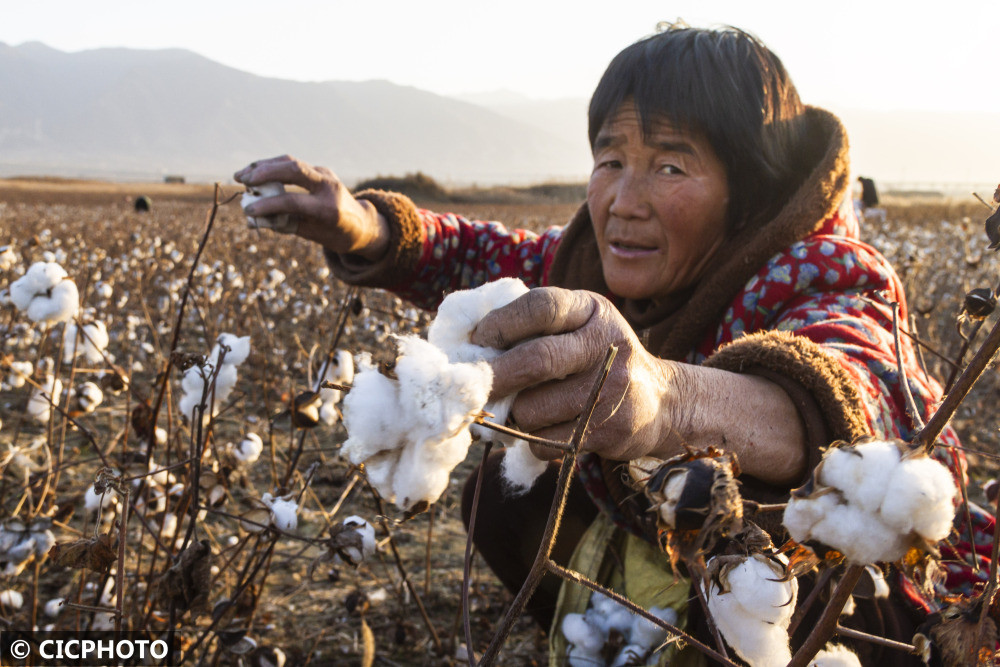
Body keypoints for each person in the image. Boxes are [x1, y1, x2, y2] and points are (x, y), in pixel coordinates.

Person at [234, 25, 991, 665]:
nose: (624, 202)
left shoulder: (829, 273)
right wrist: (365, 227)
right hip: (677, 554)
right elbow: (481, 254)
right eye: (610, 161)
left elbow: (855, 393)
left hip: (891, 618)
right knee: (503, 492)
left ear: (750, 189)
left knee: (798, 580)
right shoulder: (599, 267)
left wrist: (666, 398)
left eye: (670, 165)